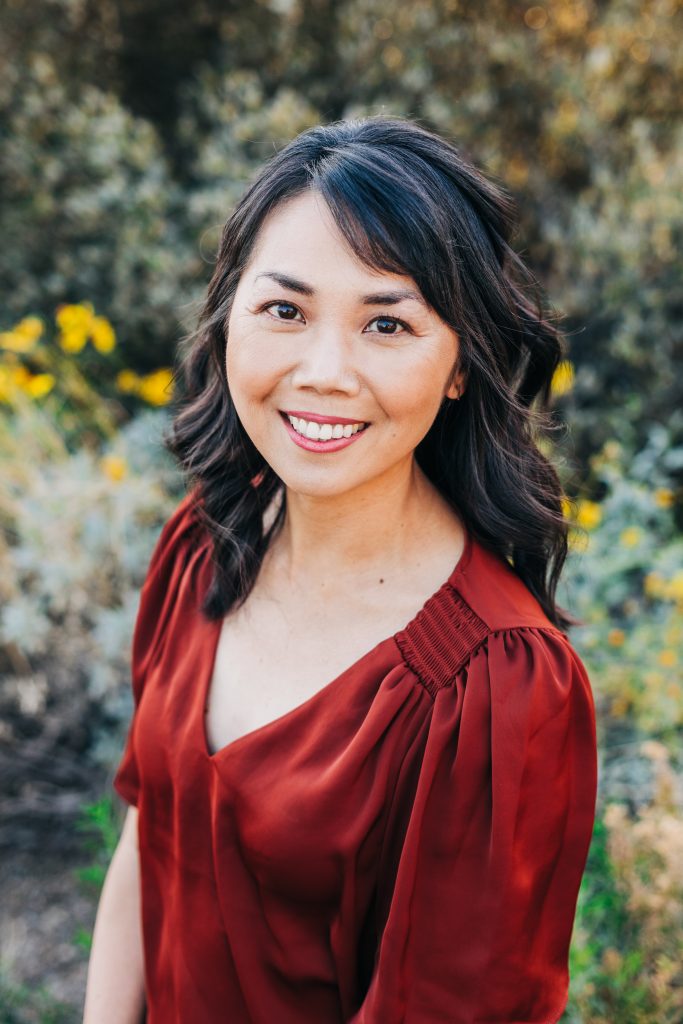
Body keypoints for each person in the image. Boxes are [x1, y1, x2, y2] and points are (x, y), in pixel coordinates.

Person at [83, 114, 598, 1024]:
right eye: (285, 309)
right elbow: (149, 834)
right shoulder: (206, 536)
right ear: (230, 314)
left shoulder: (495, 687)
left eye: (386, 324)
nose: (324, 371)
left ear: (457, 368)